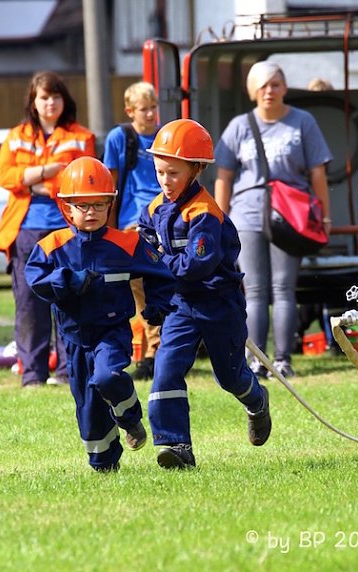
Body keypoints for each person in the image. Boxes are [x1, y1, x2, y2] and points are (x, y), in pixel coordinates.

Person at [25, 157, 175, 472]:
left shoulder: (126, 243)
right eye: (82, 205)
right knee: (88, 408)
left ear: (111, 203)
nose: (91, 212)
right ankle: (104, 463)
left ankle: (130, 418)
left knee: (107, 377)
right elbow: (34, 278)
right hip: (74, 339)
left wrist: (158, 304)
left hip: (112, 332)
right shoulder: (53, 246)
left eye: (99, 204)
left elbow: (161, 272)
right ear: (66, 207)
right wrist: (66, 282)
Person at [138, 119, 271, 469]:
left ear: (196, 170)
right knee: (166, 370)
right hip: (181, 305)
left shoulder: (205, 215)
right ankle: (176, 445)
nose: (165, 181)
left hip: (218, 303)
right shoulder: (153, 210)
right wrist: (155, 297)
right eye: (160, 172)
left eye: (173, 173)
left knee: (229, 376)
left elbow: (195, 265)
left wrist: (160, 261)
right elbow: (144, 250)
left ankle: (256, 401)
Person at [214, 61, 333, 378]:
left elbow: (318, 172)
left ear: (284, 88)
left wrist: (325, 215)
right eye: (263, 85)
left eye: (276, 84)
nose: (270, 91)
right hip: (247, 214)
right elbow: (223, 176)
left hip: (291, 215)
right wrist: (221, 220)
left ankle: (282, 360)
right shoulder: (239, 126)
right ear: (253, 90)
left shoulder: (302, 122)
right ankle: (257, 361)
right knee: (253, 290)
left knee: (283, 289)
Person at [0, 71, 96, 388]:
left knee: (69, 300)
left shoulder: (82, 137)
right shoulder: (16, 135)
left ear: (64, 100)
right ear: (33, 102)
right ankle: (33, 374)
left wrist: (38, 183)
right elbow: (3, 175)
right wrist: (47, 171)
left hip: (68, 230)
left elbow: (85, 180)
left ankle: (68, 372)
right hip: (24, 230)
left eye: (55, 96)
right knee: (28, 303)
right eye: (43, 97)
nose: (50, 103)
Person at [103, 81, 162, 381]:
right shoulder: (120, 138)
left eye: (154, 107)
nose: (151, 114)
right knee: (140, 287)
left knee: (164, 284)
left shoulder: (165, 136)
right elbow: (111, 186)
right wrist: (108, 232)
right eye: (144, 109)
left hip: (166, 217)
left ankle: (159, 350)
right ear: (130, 111)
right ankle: (152, 350)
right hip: (132, 222)